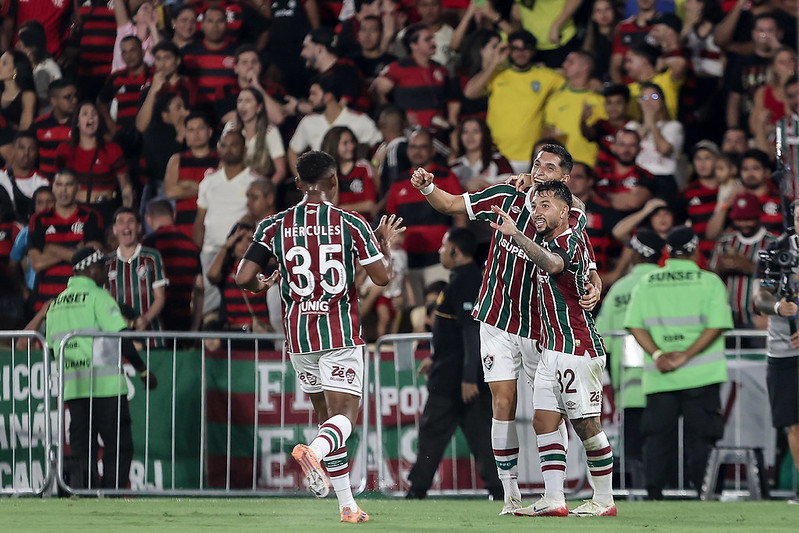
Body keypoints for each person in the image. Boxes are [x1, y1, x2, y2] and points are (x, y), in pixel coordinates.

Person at [410, 144, 601, 515]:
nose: (539, 171)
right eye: (536, 165)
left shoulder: (570, 216)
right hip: (496, 320)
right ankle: (509, 495)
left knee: (556, 412)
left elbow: (586, 262)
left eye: (549, 167)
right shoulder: (507, 194)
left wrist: (596, 285)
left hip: (540, 327)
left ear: (564, 178)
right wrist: (427, 188)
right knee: (502, 403)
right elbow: (451, 205)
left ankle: (555, 495)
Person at [236, 150, 405, 523]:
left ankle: (347, 505)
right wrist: (384, 245)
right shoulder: (351, 222)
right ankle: (313, 451)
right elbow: (380, 277)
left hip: (298, 338)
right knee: (344, 416)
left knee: (328, 418)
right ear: (334, 181)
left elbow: (243, 277)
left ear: (297, 183)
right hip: (339, 333)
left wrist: (263, 283)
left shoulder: (273, 224)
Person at [490, 180, 615, 517]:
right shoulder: (558, 236)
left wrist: (516, 235)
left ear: (564, 211)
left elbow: (554, 264)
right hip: (550, 348)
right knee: (543, 421)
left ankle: (604, 500)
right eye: (536, 204)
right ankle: (554, 498)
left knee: (587, 425)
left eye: (545, 205)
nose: (538, 211)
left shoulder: (567, 240)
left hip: (578, 345)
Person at [625, 226, 733, 500]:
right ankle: (705, 492)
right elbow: (717, 325)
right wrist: (686, 356)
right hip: (702, 374)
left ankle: (654, 495)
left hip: (660, 375)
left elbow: (635, 326)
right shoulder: (710, 282)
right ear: (696, 250)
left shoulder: (647, 282)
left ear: (667, 252)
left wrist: (659, 354)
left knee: (657, 439)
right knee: (702, 439)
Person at [46, 246, 157, 489]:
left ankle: (86, 497)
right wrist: (142, 370)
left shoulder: (56, 303)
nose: (105, 273)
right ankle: (111, 496)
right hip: (105, 387)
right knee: (118, 447)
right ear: (89, 268)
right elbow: (122, 338)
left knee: (83, 449)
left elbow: (53, 347)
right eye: (101, 268)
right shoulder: (98, 297)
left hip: (74, 388)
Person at [406, 227, 502, 501]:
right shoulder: (464, 279)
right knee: (482, 439)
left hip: (455, 381)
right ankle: (500, 491)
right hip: (455, 374)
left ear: (455, 251)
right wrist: (434, 358)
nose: (439, 251)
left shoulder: (467, 281)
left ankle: (417, 491)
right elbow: (456, 334)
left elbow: (472, 332)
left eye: (443, 246)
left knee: (433, 434)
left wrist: (469, 377)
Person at [595, 229, 666, 484]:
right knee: (667, 441)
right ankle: (670, 489)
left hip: (630, 384)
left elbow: (603, 337)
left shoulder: (621, 288)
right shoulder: (666, 283)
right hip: (668, 378)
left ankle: (638, 490)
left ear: (636, 253)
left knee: (634, 444)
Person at [463, 29, 563, 173]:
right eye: (515, 48)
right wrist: (494, 63)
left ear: (533, 51)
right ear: (509, 50)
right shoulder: (497, 75)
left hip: (530, 157)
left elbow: (575, 86)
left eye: (526, 48)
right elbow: (470, 92)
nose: (520, 53)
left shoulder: (546, 76)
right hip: (496, 155)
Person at [753, 201, 799, 503]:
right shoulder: (776, 249)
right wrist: (778, 307)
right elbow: (760, 297)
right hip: (784, 350)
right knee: (794, 423)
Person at [194, 126, 256, 313]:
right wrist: (200, 252)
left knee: (241, 304)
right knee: (210, 309)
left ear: (244, 149)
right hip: (211, 251)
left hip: (241, 253)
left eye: (234, 145)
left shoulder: (253, 181)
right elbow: (200, 221)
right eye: (224, 145)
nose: (228, 149)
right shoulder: (208, 181)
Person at [28, 169, 104, 313]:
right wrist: (75, 251)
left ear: (78, 188)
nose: (63, 190)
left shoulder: (91, 216)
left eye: (68, 185)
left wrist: (51, 249)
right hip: (45, 303)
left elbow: (90, 259)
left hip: (81, 301)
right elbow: (37, 263)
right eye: (59, 185)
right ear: (53, 187)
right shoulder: (38, 219)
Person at [55, 100, 134, 227]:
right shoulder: (65, 150)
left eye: (94, 114)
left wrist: (127, 217)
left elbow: (126, 186)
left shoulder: (112, 149)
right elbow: (56, 183)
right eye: (85, 114)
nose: (90, 117)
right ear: (77, 122)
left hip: (105, 209)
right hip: (75, 211)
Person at [710, 192, 776, 329]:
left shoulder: (773, 244)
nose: (743, 224)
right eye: (739, 219)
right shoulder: (724, 242)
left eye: (748, 219)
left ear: (758, 216)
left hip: (760, 321)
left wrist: (751, 267)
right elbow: (710, 282)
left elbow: (780, 283)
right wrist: (719, 269)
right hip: (728, 319)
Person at [106, 207, 168, 346]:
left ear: (139, 227)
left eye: (130, 221)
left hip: (151, 336)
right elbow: (105, 300)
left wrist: (145, 319)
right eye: (121, 222)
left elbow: (160, 297)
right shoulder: (107, 263)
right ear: (115, 229)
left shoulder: (152, 257)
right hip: (118, 337)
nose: (126, 226)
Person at [142, 199, 204, 335]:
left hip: (154, 324)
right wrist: (194, 328)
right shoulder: (191, 246)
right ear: (174, 215)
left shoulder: (147, 245)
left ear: (148, 219)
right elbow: (199, 288)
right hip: (184, 323)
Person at [164, 112, 219, 239]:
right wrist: (205, 187)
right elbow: (171, 192)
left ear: (209, 132)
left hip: (212, 224)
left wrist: (187, 185)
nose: (196, 134)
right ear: (186, 134)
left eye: (200, 128)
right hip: (183, 227)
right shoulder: (177, 160)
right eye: (191, 130)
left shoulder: (220, 159)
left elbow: (222, 190)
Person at [320, 126, 378, 219]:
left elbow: (370, 205)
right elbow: (330, 206)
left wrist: (338, 209)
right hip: (338, 226)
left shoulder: (363, 167)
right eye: (345, 143)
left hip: (362, 224)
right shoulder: (327, 172)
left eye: (352, 142)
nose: (351, 147)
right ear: (334, 145)